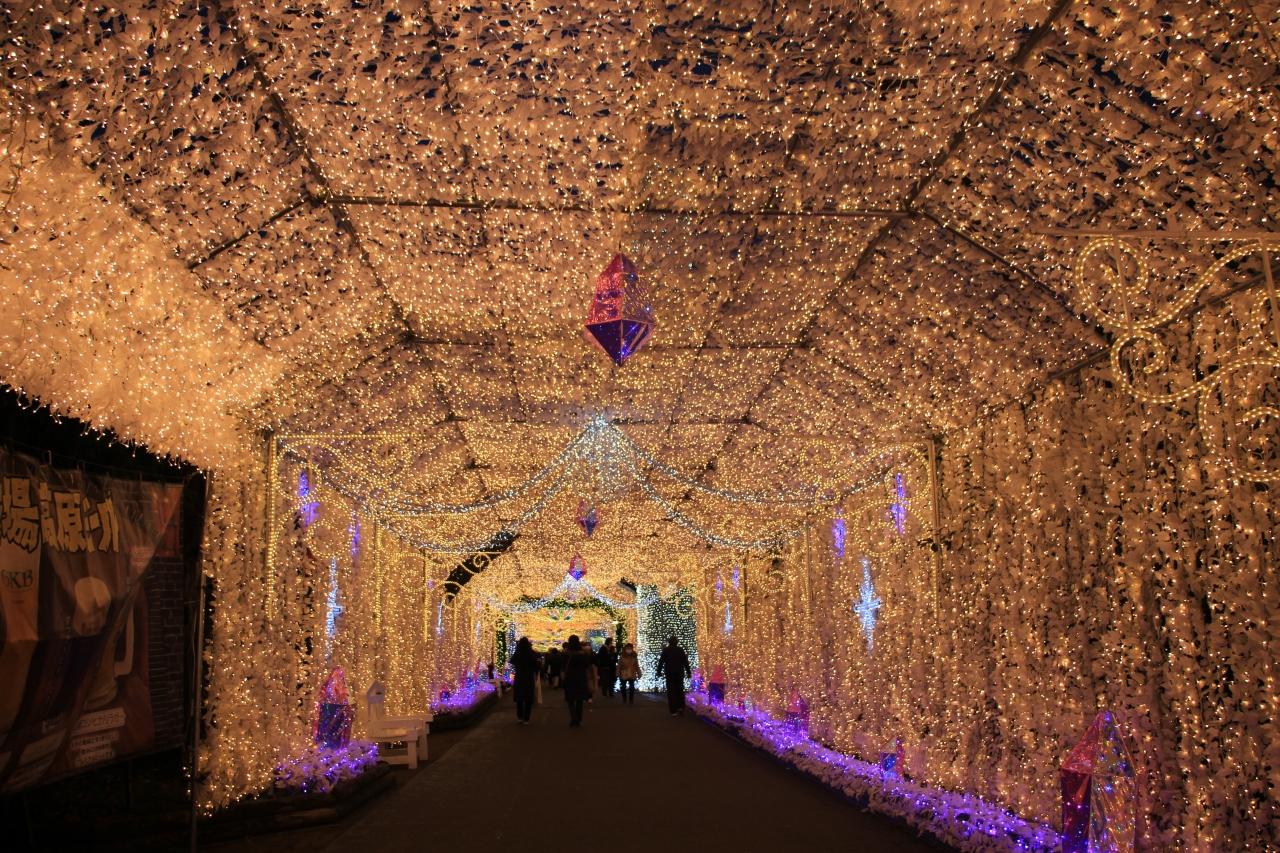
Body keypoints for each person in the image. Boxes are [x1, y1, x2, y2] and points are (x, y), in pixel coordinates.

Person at [561, 635, 593, 727]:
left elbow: (562, 667)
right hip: (581, 678)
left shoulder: (566, 654)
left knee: (570, 700)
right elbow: (587, 666)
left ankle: (573, 718)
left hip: (570, 678)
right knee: (579, 700)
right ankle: (579, 719)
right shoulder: (583, 654)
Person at [656, 635, 692, 716]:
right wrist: (688, 672)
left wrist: (658, 671)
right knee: (680, 690)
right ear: (676, 642)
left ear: (669, 642)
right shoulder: (680, 650)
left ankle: (673, 710)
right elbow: (685, 662)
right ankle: (680, 707)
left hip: (670, 673)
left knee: (671, 691)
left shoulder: (666, 650)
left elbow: (661, 661)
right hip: (679, 673)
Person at [509, 636, 539, 724]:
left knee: (520, 698)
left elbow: (512, 662)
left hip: (519, 677)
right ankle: (526, 718)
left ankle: (519, 717)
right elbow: (536, 666)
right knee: (528, 698)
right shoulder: (532, 653)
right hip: (529, 677)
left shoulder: (517, 653)